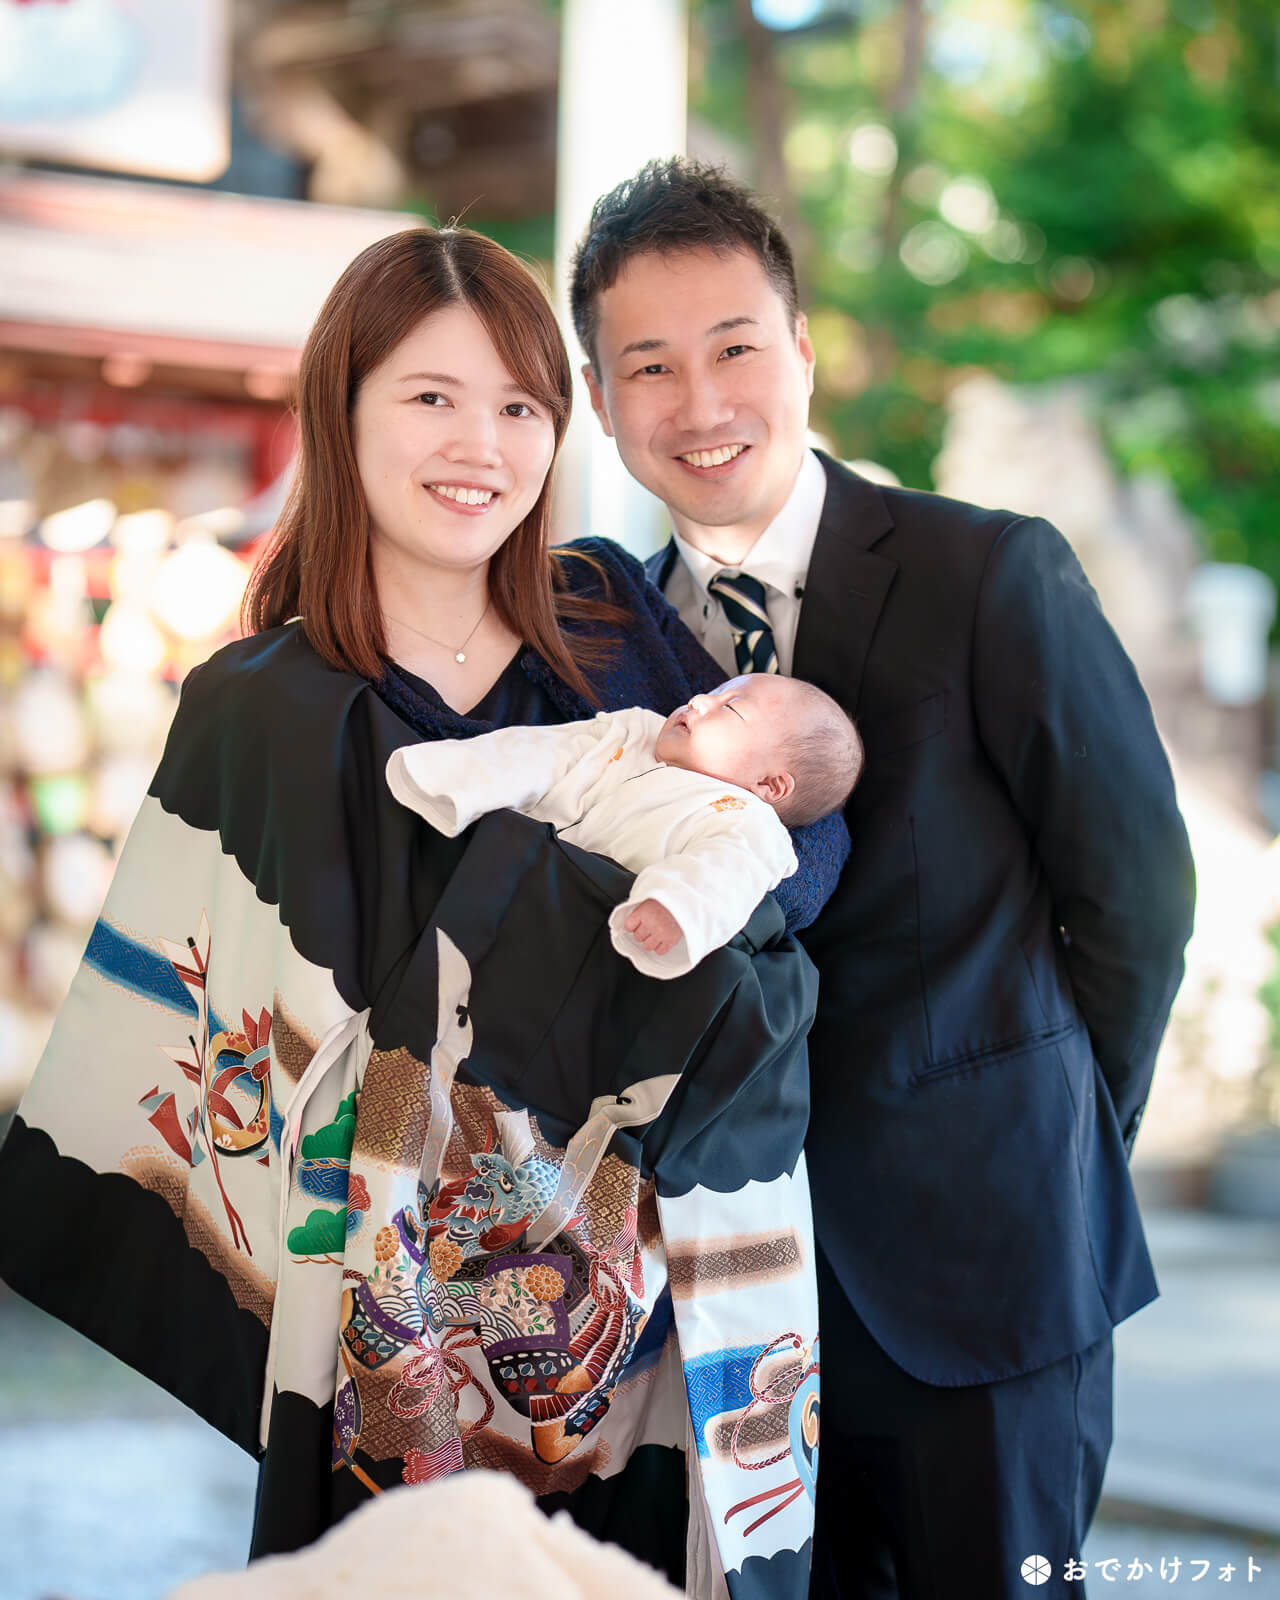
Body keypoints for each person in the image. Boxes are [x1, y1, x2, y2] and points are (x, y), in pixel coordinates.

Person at [0, 226, 848, 1600]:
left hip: (639, 1330)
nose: (483, 445)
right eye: (432, 397)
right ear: (342, 411)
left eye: (521, 406)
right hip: (381, 1339)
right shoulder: (259, 706)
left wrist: (595, 906)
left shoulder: (613, 623)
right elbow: (202, 1030)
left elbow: (802, 843)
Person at [569, 159, 1196, 1600]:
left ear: (800, 349)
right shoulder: (600, 643)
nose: (701, 403)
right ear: (605, 403)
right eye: (648, 368)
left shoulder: (991, 576)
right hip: (716, 1307)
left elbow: (1136, 898)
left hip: (984, 1267)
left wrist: (1060, 1131)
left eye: (733, 347)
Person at [387, 673, 863, 976]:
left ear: (771, 785)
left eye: (730, 707)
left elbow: (722, 875)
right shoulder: (632, 732)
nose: (698, 699)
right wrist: (455, 778)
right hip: (504, 889)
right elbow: (544, 753)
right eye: (714, 691)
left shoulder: (745, 824)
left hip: (595, 943)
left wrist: (674, 907)